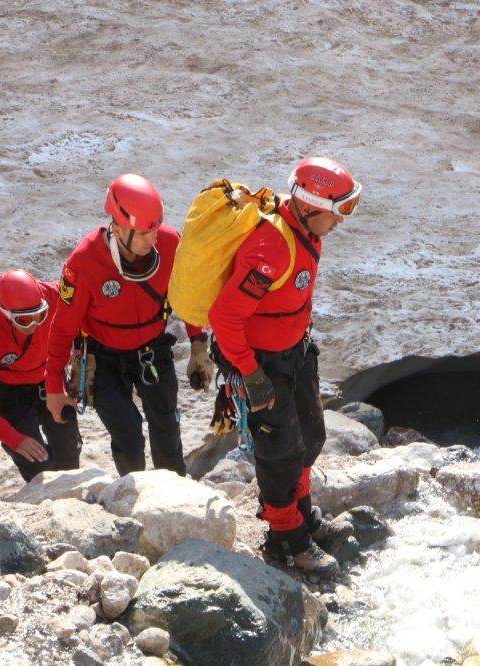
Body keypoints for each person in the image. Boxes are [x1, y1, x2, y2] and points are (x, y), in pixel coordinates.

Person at [209, 157, 361, 576]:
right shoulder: (271, 247)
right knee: (280, 451)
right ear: (310, 205)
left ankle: (302, 515)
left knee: (310, 436)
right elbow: (224, 316)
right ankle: (285, 538)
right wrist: (251, 374)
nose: (341, 220)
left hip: (293, 351)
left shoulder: (306, 230)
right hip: (261, 362)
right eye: (339, 210)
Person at [44, 174, 213, 477]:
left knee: (167, 430)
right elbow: (63, 327)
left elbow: (188, 295)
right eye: (145, 232)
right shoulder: (84, 262)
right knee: (128, 437)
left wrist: (199, 345)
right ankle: (132, 490)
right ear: (118, 228)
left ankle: (174, 491)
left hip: (152, 349)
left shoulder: (170, 244)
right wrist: (54, 386)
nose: (153, 239)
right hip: (103, 358)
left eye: (155, 229)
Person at [0, 269, 82, 482]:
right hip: (8, 391)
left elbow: (88, 308)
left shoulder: (56, 294)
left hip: (50, 378)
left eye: (40, 315)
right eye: (24, 320)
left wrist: (79, 377)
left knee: (69, 454)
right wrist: (13, 439)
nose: (34, 324)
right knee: (38, 464)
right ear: (5, 314)